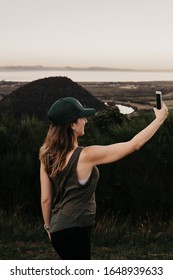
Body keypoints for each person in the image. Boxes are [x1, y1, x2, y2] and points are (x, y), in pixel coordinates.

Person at [39, 96, 168, 260]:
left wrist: (49, 228)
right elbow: (133, 145)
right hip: (75, 230)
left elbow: (45, 199)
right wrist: (160, 119)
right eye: (82, 117)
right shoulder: (86, 155)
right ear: (72, 124)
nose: (85, 120)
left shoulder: (46, 156)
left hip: (59, 230)